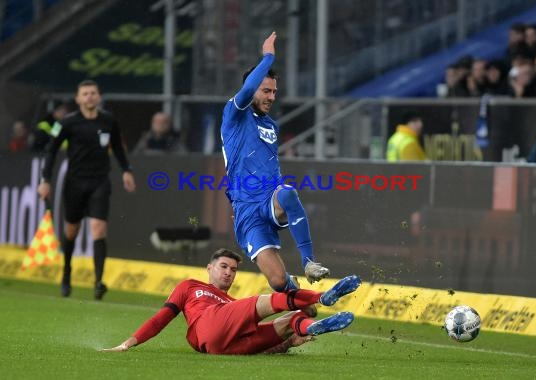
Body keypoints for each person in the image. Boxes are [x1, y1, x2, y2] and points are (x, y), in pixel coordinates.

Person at [219, 31, 330, 294]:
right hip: (246, 207)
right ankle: (300, 293)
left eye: (274, 92)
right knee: (278, 283)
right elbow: (246, 91)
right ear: (252, 89)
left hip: (269, 197)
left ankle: (309, 262)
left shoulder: (270, 125)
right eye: (266, 90)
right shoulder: (234, 114)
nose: (271, 97)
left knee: (289, 193)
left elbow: (269, 163)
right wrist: (268, 56)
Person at [102, 248, 361, 355]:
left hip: (223, 347)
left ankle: (307, 329)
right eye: (223, 267)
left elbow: (259, 349)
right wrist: (127, 343)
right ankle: (322, 298)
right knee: (269, 300)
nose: (228, 272)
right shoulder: (190, 287)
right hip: (207, 327)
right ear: (209, 268)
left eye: (233, 270)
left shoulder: (231, 302)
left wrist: (287, 345)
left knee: (290, 321)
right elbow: (161, 319)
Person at [37, 79, 136, 300]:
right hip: (75, 183)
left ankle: (98, 282)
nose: (89, 97)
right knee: (71, 230)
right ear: (78, 98)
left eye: (93, 93)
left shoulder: (109, 120)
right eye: (85, 93)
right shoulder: (67, 122)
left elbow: (118, 148)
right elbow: (51, 151)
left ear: (99, 96)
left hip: (100, 182)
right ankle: (66, 273)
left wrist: (126, 170)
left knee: (99, 229)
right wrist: (45, 179)